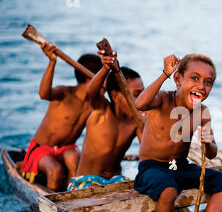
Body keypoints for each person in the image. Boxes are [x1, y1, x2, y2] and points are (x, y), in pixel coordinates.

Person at [133, 53, 222, 212]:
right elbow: (140, 103)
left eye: (208, 83)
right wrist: (165, 73)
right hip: (152, 167)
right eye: (195, 78)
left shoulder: (202, 112)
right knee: (168, 189)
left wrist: (208, 142)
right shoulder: (163, 99)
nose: (201, 86)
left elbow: (211, 153)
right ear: (179, 79)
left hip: (180, 167)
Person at [20, 42, 102, 191]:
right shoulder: (64, 93)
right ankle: (49, 210)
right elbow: (44, 94)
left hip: (67, 149)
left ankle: (72, 197)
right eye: (102, 78)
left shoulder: (95, 103)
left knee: (75, 158)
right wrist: (52, 62)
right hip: (41, 150)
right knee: (55, 170)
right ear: (91, 80)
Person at [67, 51, 144, 191]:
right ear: (116, 96)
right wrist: (105, 68)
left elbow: (146, 151)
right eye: (137, 94)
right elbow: (92, 92)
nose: (142, 100)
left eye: (143, 94)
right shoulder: (102, 110)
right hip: (86, 181)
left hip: (116, 181)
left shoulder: (136, 122)